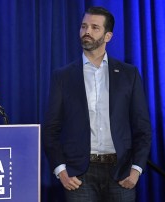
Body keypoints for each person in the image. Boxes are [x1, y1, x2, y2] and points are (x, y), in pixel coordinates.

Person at [43, 6, 151, 202]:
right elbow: (51, 129)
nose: (87, 32)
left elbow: (142, 127)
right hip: (79, 175)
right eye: (84, 26)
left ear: (107, 36)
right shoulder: (63, 76)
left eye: (95, 27)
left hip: (121, 173)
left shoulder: (129, 74)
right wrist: (61, 170)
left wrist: (136, 170)